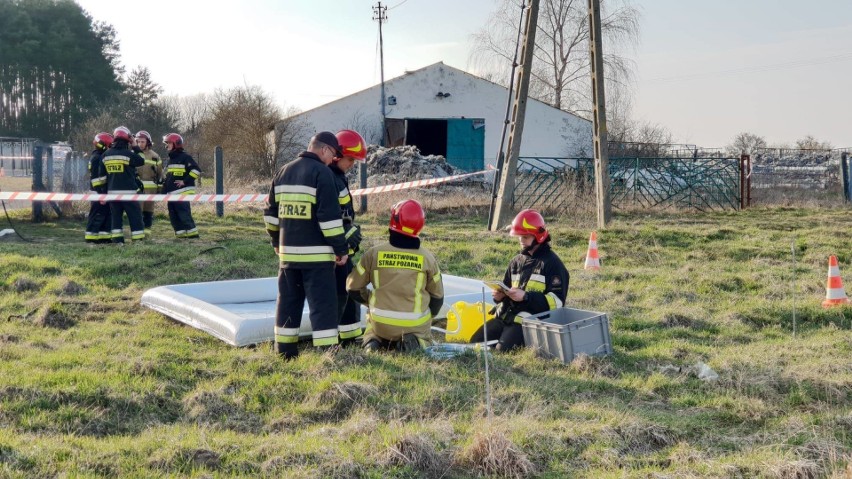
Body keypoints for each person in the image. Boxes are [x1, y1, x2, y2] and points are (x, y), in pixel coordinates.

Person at [263, 131, 349, 359]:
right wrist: (341, 249)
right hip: (317, 259)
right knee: (323, 306)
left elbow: (270, 215)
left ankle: (284, 352)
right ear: (325, 150)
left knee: (288, 303)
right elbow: (329, 220)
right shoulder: (323, 174)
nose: (333, 160)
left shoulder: (283, 171)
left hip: (288, 257)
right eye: (334, 155)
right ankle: (327, 354)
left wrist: (275, 241)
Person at [346, 199, 444, 352]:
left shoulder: (373, 254)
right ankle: (416, 343)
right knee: (426, 339)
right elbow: (437, 299)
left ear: (393, 221)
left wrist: (371, 299)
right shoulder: (428, 259)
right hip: (414, 326)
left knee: (372, 330)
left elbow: (352, 287)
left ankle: (372, 342)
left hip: (380, 324)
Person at [470, 209, 569, 352]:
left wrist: (527, 297)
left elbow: (558, 303)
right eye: (519, 237)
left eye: (525, 237)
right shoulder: (516, 261)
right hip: (506, 316)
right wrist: (499, 297)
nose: (521, 241)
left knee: (502, 351)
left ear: (538, 237)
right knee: (474, 344)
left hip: (529, 322)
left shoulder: (553, 264)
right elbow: (506, 287)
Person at [331, 129, 367, 347]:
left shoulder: (338, 177)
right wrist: (344, 237)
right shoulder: (330, 179)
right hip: (337, 250)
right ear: (337, 155)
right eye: (350, 159)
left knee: (349, 289)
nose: (353, 164)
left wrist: (350, 229)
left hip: (343, 248)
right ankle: (342, 337)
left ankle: (350, 336)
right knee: (341, 293)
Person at [99, 126, 146, 243]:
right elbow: (142, 160)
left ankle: (117, 240)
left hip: (112, 194)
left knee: (115, 218)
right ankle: (138, 240)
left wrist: (104, 193)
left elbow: (102, 178)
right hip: (129, 193)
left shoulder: (105, 155)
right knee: (135, 217)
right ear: (128, 139)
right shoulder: (128, 154)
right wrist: (135, 145)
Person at [161, 133, 200, 238]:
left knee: (184, 215)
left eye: (168, 143)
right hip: (172, 194)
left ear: (175, 143)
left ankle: (193, 236)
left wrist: (184, 181)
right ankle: (181, 237)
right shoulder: (171, 159)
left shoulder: (185, 157)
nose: (167, 145)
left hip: (182, 193)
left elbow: (196, 171)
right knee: (173, 216)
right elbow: (170, 177)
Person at [84, 132, 112, 243]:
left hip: (100, 192)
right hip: (98, 192)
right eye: (109, 145)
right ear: (103, 145)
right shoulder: (97, 158)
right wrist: (102, 194)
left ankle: (104, 238)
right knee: (97, 215)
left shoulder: (97, 156)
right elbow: (96, 179)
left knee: (105, 215)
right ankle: (91, 238)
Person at [134, 130, 163, 235]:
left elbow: (160, 174)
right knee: (137, 212)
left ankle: (147, 232)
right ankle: (139, 232)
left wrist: (160, 190)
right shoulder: (133, 154)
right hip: (137, 189)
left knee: (148, 212)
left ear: (148, 142)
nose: (140, 144)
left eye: (142, 141)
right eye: (138, 141)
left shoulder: (155, 156)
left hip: (151, 189)